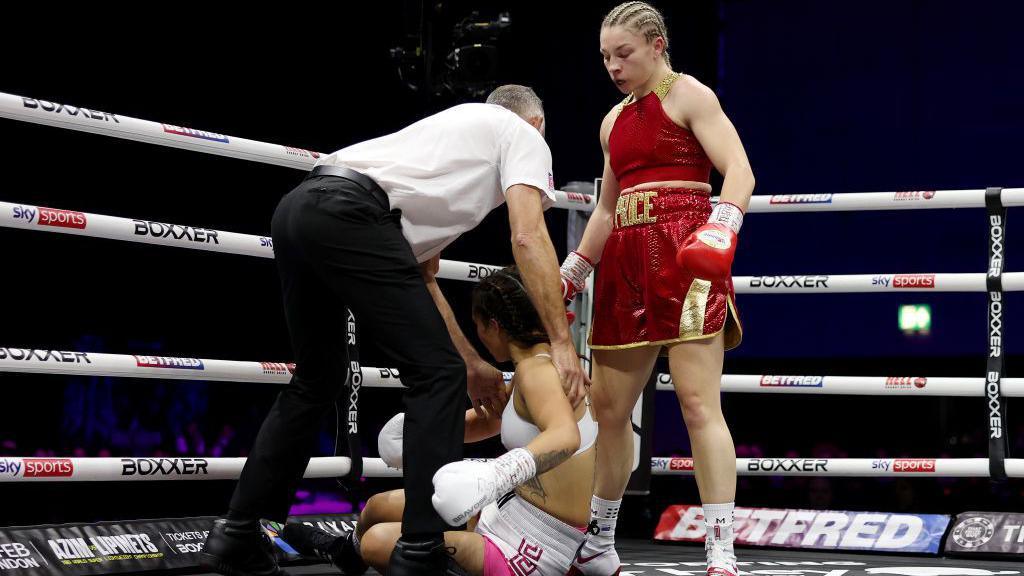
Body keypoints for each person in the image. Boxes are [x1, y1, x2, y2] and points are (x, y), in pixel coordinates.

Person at [200, 87, 589, 576]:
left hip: (300, 207)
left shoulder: (448, 144)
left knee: (318, 379)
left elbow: (422, 275)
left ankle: (237, 532)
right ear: (535, 126)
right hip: (352, 214)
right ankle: (423, 545)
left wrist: (469, 363)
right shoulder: (522, 135)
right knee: (436, 376)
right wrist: (560, 342)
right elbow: (529, 235)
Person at [559, 3, 754, 576]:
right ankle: (600, 541)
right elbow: (604, 208)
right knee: (609, 410)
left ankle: (720, 549)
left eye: (624, 54)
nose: (613, 66)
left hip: (686, 254)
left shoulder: (690, 94)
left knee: (699, 404)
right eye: (604, 57)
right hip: (623, 263)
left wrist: (723, 226)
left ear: (657, 45)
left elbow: (739, 170)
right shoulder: (612, 121)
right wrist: (575, 268)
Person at [282, 267, 597, 576]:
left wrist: (495, 474)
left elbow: (565, 436)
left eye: (478, 326)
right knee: (378, 506)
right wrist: (419, 433)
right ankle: (347, 553)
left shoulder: (537, 374)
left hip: (530, 548)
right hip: (505, 513)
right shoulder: (533, 366)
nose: (479, 336)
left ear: (495, 326)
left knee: (379, 542)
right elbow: (492, 421)